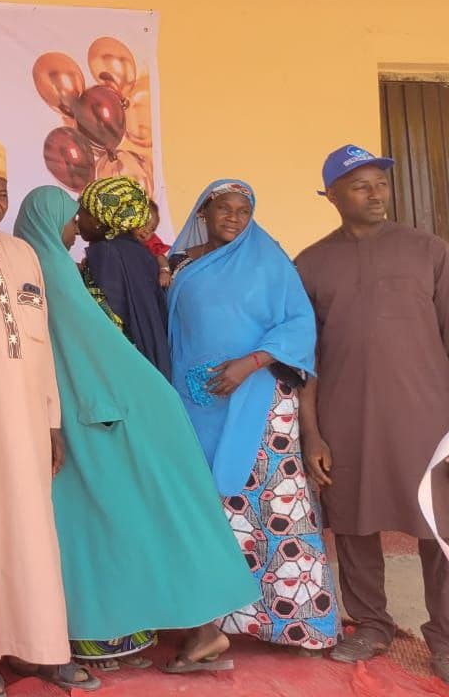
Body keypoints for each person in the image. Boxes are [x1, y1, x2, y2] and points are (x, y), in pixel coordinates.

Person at [14, 186, 258, 676]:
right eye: (70, 215)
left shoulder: (67, 268)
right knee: (158, 512)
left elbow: (95, 343)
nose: (76, 223)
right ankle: (191, 629)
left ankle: (149, 629)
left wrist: (89, 410)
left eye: (80, 213)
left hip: (104, 411)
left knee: (111, 519)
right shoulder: (119, 261)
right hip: (126, 402)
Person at [0, 138, 97, 694]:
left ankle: (43, 648)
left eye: (0, 194)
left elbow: (40, 344)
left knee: (35, 532)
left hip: (31, 418)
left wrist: (53, 421)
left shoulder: (25, 253)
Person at [297, 145, 449, 679]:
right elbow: (304, 359)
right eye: (359, 185)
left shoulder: (428, 250)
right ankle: (371, 625)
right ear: (333, 195)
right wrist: (312, 431)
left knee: (436, 523)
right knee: (354, 522)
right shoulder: (311, 263)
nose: (376, 193)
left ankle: (446, 638)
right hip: (347, 418)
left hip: (427, 418)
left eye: (380, 182)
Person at [167, 179, 338, 652]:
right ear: (204, 211)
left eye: (244, 210)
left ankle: (295, 621)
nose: (235, 218)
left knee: (275, 509)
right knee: (213, 511)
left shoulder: (271, 261)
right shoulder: (181, 264)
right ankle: (219, 624)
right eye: (225, 208)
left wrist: (249, 363)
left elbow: (299, 326)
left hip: (259, 403)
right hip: (198, 405)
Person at [75, 177, 170, 375]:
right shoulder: (139, 253)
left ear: (101, 217)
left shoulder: (106, 254)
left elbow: (103, 321)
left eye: (83, 211)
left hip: (115, 369)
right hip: (149, 363)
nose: (77, 218)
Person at [133, 201, 173, 289]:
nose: (147, 231)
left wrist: (164, 271)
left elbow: (160, 256)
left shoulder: (151, 241)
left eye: (152, 229)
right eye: (145, 224)